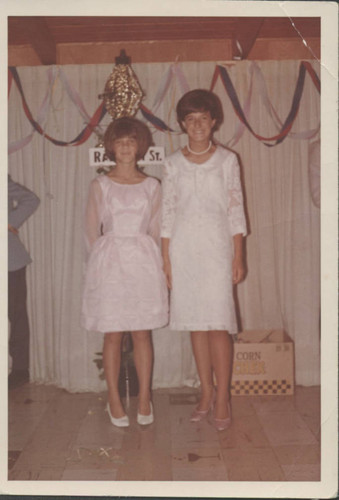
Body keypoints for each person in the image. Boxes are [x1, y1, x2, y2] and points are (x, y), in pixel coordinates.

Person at [161, 89, 247, 431]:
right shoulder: (171, 163)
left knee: (218, 324)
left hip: (216, 250)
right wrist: (166, 259)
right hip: (184, 251)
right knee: (196, 324)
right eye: (190, 119)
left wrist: (238, 254)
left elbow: (235, 209)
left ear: (214, 122)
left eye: (203, 118)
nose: (197, 124)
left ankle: (223, 397)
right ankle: (206, 394)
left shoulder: (227, 160)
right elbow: (167, 213)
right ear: (183, 124)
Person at [81, 117, 168, 427]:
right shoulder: (100, 184)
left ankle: (145, 397)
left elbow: (157, 232)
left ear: (140, 146)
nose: (126, 147)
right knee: (113, 333)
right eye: (120, 142)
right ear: (112, 148)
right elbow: (92, 233)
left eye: (132, 141)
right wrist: (99, 270)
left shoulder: (152, 186)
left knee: (143, 332)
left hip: (143, 261)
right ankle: (114, 399)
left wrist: (159, 267)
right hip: (111, 264)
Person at [8, 175, 40, 389]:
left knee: (16, 313)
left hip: (9, 261)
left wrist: (9, 222)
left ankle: (20, 370)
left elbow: (30, 199)